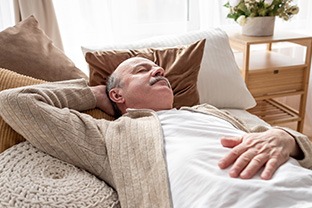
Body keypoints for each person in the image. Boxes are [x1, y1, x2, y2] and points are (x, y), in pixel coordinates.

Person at [1, 57, 312, 208]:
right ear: (118, 96)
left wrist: (287, 138)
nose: (159, 71)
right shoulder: (111, 137)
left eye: (158, 69)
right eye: (141, 70)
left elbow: (306, 149)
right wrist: (96, 94)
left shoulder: (213, 112)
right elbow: (15, 102)